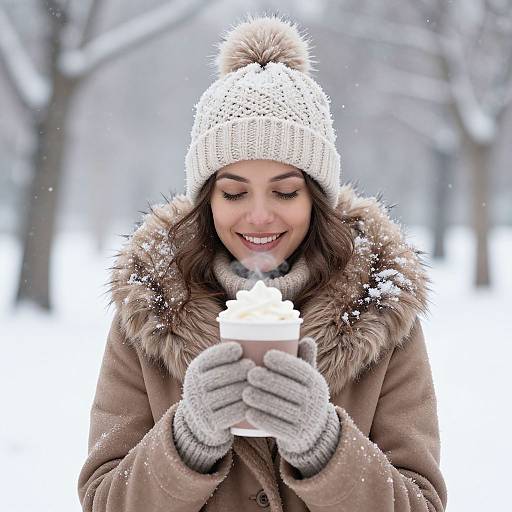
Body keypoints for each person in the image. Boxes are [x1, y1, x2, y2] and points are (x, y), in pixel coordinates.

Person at [77, 14, 447, 512]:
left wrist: (324, 444)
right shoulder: (150, 312)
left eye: (286, 191)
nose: (258, 216)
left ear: (318, 198)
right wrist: (188, 439)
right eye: (233, 192)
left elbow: (420, 505)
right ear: (206, 200)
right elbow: (104, 502)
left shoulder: (379, 313)